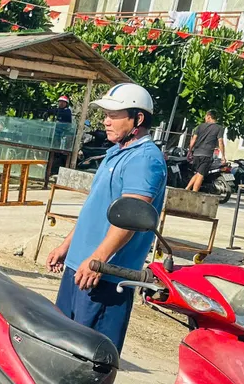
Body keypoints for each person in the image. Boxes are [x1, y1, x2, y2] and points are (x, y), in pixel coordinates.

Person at [46, 83, 167, 351]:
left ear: (138, 119)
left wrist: (98, 259)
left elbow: (130, 219)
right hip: (80, 268)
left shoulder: (145, 159)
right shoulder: (115, 153)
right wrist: (67, 246)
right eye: (105, 115)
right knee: (59, 347)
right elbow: (95, 208)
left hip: (106, 277)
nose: (107, 121)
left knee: (88, 359)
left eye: (114, 115)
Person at [186, 111, 226, 192]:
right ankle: (194, 193)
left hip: (196, 154)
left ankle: (187, 189)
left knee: (198, 173)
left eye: (205, 117)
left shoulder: (200, 126)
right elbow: (220, 142)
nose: (205, 118)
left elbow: (194, 139)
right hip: (206, 155)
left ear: (209, 117)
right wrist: (223, 156)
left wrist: (189, 151)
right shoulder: (219, 128)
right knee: (201, 175)